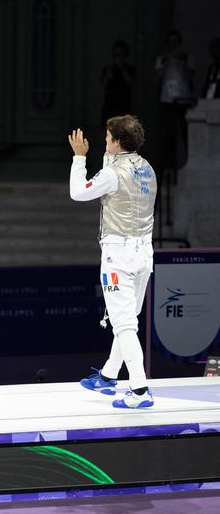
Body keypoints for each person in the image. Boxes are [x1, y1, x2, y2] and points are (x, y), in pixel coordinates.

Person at [70, 116, 156, 409]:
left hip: (119, 256)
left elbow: (78, 192)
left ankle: (139, 391)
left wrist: (79, 157)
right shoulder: (147, 168)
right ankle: (108, 375)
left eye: (108, 139)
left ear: (118, 142)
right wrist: (108, 156)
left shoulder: (112, 174)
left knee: (124, 325)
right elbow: (117, 181)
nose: (104, 142)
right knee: (127, 320)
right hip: (144, 254)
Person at [155, 31, 195, 169]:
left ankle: (188, 162)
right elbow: (158, 78)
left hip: (183, 101)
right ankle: (168, 166)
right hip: (167, 101)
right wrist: (167, 60)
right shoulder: (162, 59)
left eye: (176, 42)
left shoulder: (187, 58)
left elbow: (188, 76)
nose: (173, 45)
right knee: (168, 134)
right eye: (170, 42)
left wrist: (180, 60)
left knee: (185, 133)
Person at [99, 41, 135, 127]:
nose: (118, 57)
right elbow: (103, 85)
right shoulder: (109, 69)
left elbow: (131, 83)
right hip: (110, 105)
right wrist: (109, 74)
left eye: (121, 54)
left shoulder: (129, 69)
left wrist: (122, 69)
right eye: (116, 54)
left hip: (124, 105)